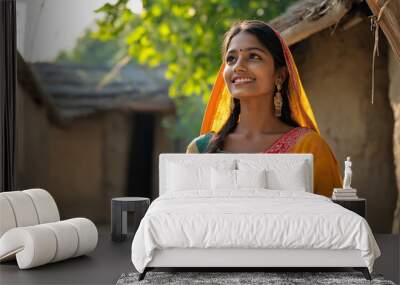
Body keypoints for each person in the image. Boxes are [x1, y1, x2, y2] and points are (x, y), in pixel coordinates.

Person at [186, 20, 342, 197]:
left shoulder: (309, 148)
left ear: (280, 75)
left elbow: (331, 221)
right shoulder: (201, 149)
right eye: (231, 59)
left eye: (254, 56)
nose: (238, 66)